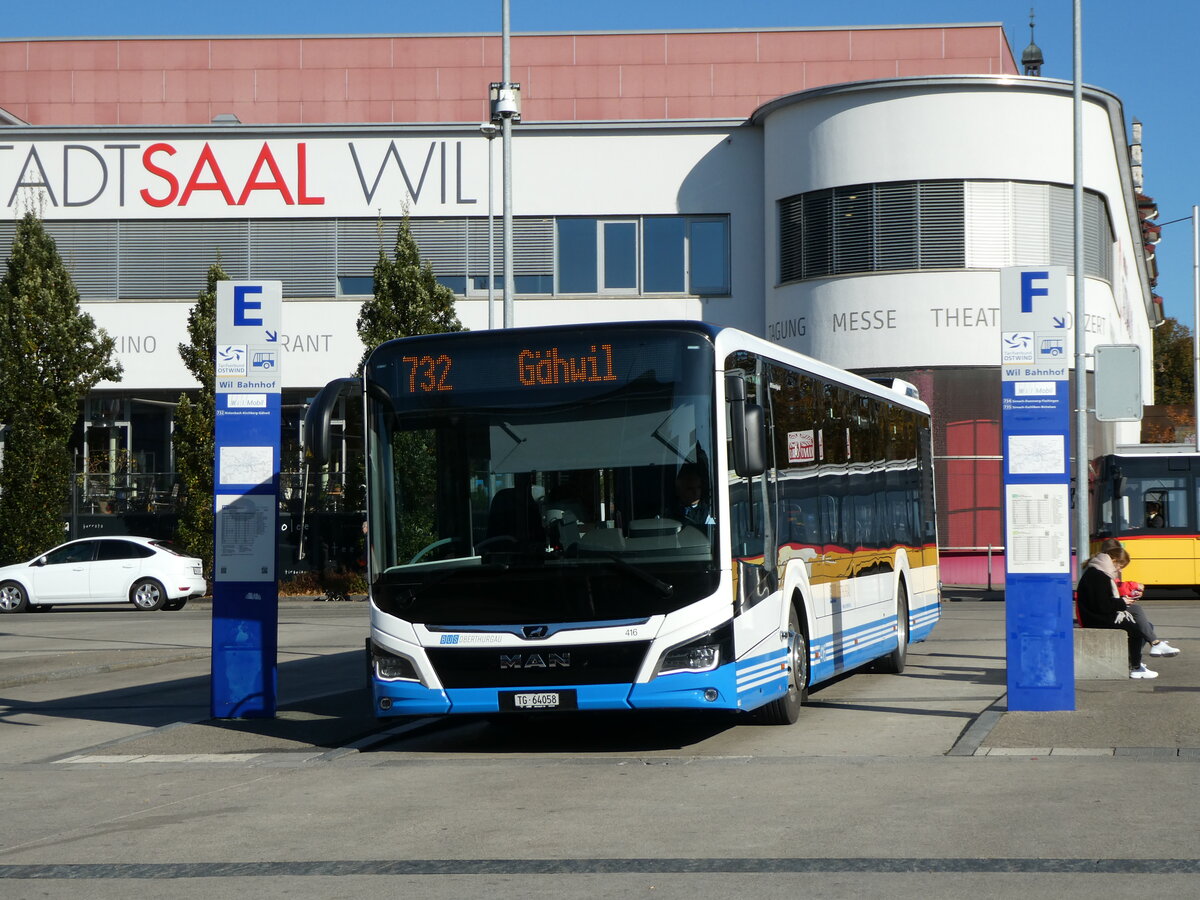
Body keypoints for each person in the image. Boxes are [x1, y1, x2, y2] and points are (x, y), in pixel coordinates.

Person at [1096, 537, 1180, 659]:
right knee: (1138, 617)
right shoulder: (1101, 570)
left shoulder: (1101, 566)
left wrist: (1128, 596)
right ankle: (1141, 655)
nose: (1120, 569)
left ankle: (1138, 659)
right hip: (1100, 615)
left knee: (1145, 625)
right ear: (1113, 557)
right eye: (1120, 565)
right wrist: (1130, 590)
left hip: (1102, 611)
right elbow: (1113, 589)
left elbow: (1113, 590)